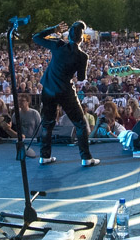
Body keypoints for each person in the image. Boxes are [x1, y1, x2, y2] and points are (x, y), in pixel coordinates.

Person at [33, 21, 99, 167]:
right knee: (80, 124)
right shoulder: (83, 56)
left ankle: (44, 156)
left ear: (67, 36)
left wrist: (53, 29)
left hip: (48, 88)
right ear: (81, 39)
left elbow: (36, 37)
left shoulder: (58, 45)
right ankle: (86, 158)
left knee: (47, 124)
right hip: (65, 91)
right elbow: (81, 78)